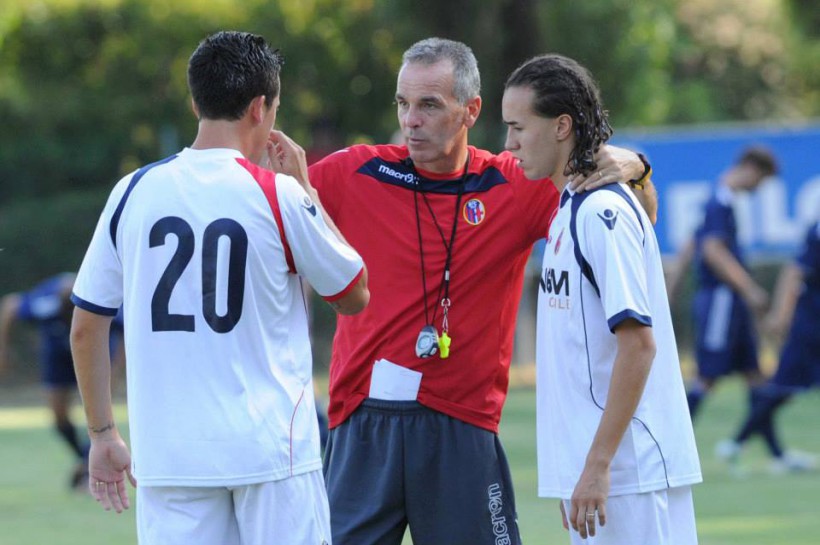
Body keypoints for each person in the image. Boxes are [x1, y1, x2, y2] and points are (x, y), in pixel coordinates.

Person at [307, 37, 655, 545]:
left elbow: (638, 218)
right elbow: (258, 211)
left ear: (471, 110)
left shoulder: (516, 184)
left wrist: (635, 167)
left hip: (461, 425)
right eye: (403, 104)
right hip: (363, 423)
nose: (411, 120)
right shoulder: (352, 171)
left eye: (429, 105)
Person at [69, 30, 368, 545]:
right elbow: (352, 293)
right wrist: (308, 191)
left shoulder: (133, 191)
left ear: (194, 102)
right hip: (272, 452)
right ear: (261, 107)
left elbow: (86, 327)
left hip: (171, 457)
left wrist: (102, 435)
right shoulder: (278, 193)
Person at [503, 53, 702, 544]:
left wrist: (597, 466)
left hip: (629, 472)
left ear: (561, 127)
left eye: (518, 127)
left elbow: (639, 344)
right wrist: (581, 469)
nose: (509, 144)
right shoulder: (569, 209)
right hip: (605, 474)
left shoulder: (600, 212)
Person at [715, 221, 820, 473]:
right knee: (782, 388)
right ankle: (736, 443)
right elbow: (795, 271)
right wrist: (781, 315)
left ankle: (739, 443)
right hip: (811, 325)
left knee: (781, 388)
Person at [684, 146, 778, 420]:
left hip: (730, 301)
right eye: (761, 180)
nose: (759, 187)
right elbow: (713, 251)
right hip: (721, 299)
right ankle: (669, 447)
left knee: (754, 373)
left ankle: (773, 453)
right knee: (707, 375)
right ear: (750, 168)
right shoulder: (720, 201)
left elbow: (691, 245)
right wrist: (749, 289)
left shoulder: (723, 199)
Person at [0, 273, 91, 490]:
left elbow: (128, 329)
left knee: (98, 413)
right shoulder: (46, 305)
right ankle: (84, 460)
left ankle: (90, 468)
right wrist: (3, 349)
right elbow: (11, 304)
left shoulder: (98, 305)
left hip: (93, 353)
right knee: (58, 417)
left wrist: (116, 369)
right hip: (57, 356)